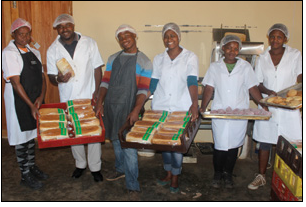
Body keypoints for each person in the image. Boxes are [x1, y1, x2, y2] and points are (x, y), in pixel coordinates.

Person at [200, 35, 267, 189]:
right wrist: (203, 106)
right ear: (223, 48)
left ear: (239, 50)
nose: (232, 51)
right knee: (220, 145)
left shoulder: (245, 67)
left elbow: (252, 88)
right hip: (220, 112)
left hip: (239, 113)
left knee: (234, 147)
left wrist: (263, 105)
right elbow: (209, 88)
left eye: (235, 48)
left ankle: (228, 174)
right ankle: (217, 174)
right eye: (229, 47)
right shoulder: (215, 67)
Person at [95, 24, 152, 199]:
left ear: (135, 36)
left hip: (130, 108)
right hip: (111, 106)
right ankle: (120, 169)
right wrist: (99, 102)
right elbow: (105, 82)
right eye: (120, 37)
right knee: (115, 139)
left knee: (129, 146)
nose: (124, 39)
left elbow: (143, 90)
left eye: (127, 35)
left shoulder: (144, 61)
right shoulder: (113, 58)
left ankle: (133, 184)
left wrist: (135, 110)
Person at [47, 14, 104, 182]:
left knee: (93, 130)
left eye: (67, 25)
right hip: (69, 95)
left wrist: (97, 90)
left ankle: (95, 167)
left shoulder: (89, 43)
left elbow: (97, 68)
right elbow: (51, 76)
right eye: (61, 27)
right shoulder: (53, 49)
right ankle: (80, 164)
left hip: (89, 93)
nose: (65, 29)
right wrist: (58, 79)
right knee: (74, 131)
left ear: (73, 25)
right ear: (57, 29)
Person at [248, 24, 302, 190]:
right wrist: (268, 93)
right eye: (272, 36)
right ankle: (261, 176)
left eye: (279, 37)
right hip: (269, 105)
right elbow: (258, 83)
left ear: (285, 39)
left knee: (292, 144)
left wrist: (297, 92)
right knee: (264, 142)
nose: (275, 40)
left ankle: (291, 178)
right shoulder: (262, 58)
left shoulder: (295, 55)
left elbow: (300, 76)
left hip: (289, 107)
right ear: (268, 38)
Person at [149, 23, 199, 194]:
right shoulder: (158, 58)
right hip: (161, 106)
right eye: (166, 36)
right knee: (163, 143)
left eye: (172, 36)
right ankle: (168, 172)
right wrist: (139, 101)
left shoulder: (189, 57)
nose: (169, 39)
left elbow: (192, 81)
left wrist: (194, 104)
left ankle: (176, 175)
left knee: (176, 144)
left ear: (179, 37)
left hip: (180, 107)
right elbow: (153, 83)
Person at [2, 18, 48, 190]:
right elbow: (16, 83)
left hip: (35, 100)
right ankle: (24, 173)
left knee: (31, 136)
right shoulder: (9, 53)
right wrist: (31, 105)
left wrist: (40, 98)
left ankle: (31, 166)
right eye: (20, 34)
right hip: (19, 100)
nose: (24, 37)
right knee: (22, 137)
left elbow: (42, 78)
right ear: (13, 34)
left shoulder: (34, 51)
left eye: (27, 34)